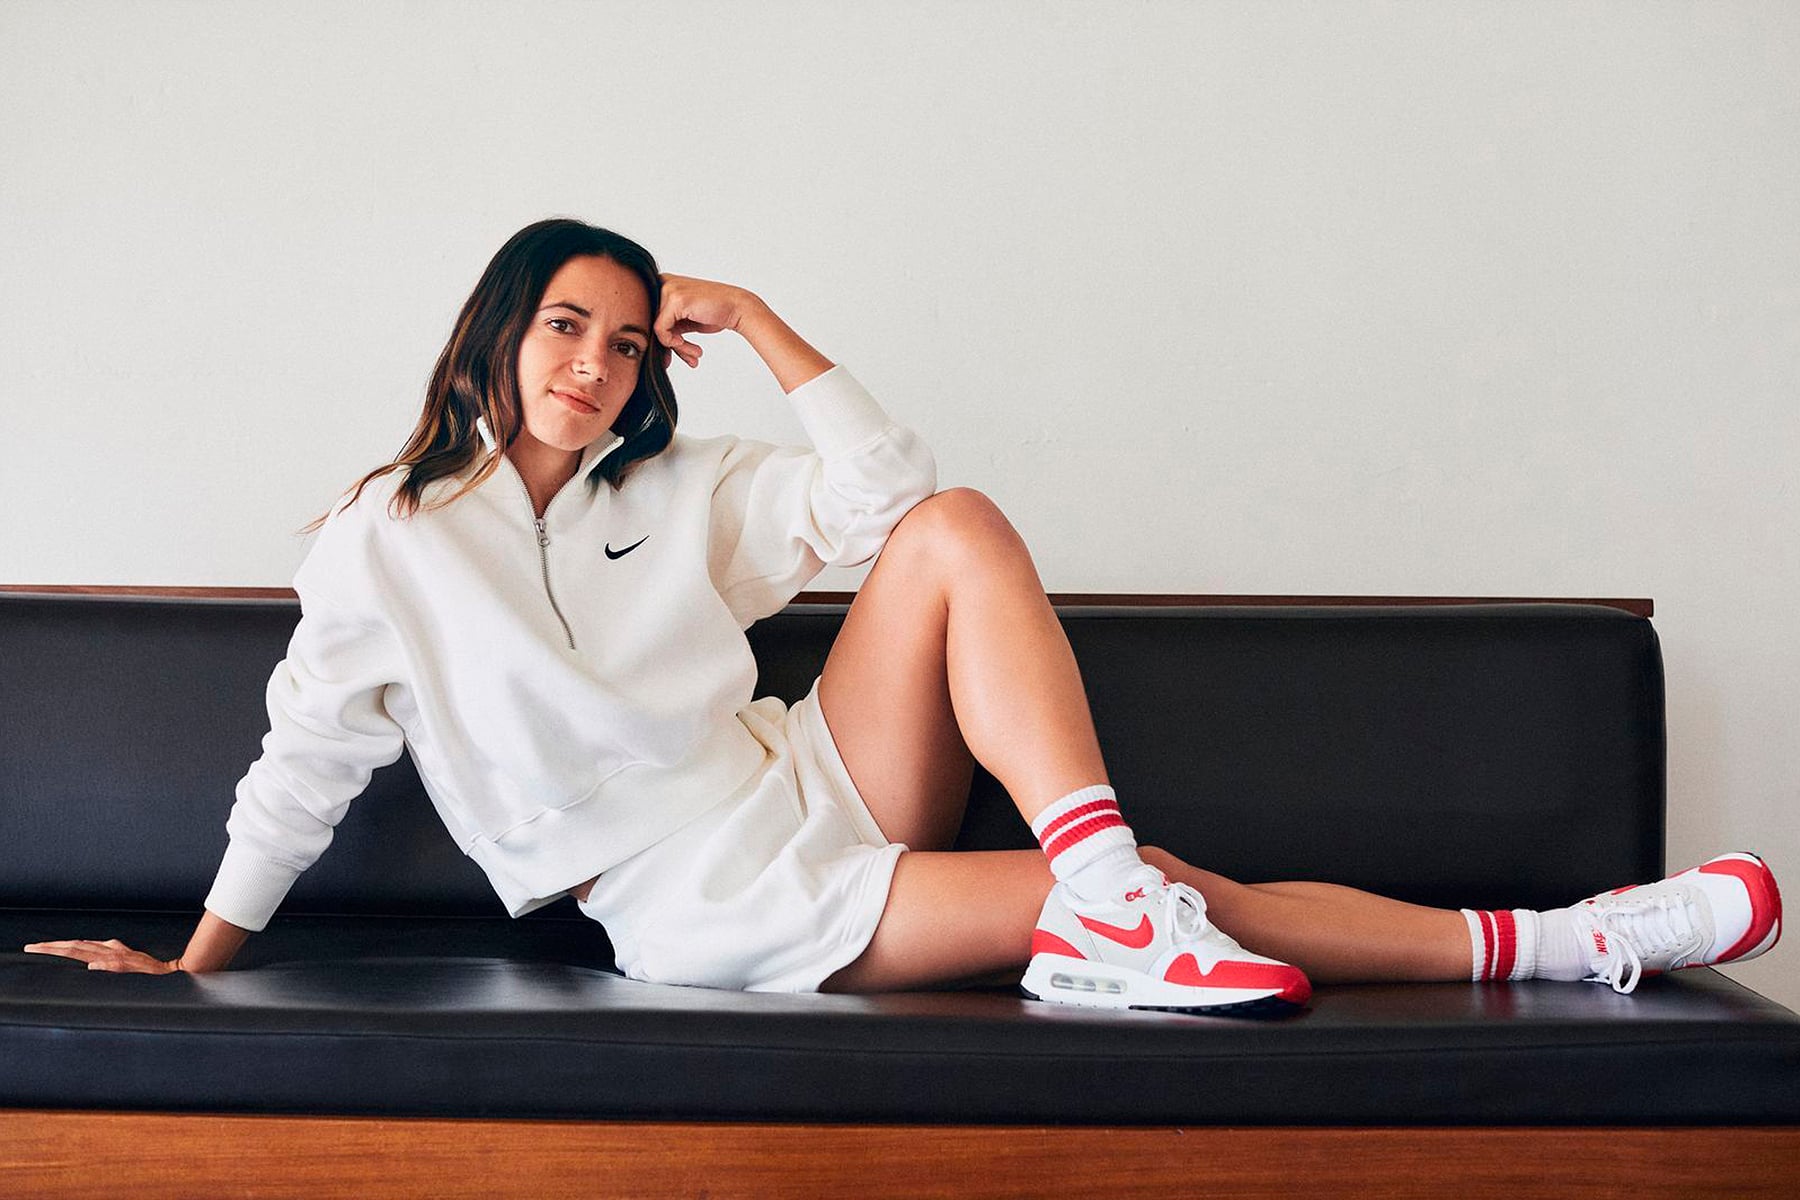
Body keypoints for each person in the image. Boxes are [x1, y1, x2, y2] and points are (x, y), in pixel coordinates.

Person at [23, 218, 1784, 1014]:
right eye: (564, 325)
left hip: (807, 775)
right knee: (1188, 896)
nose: (596, 363)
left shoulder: (674, 487)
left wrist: (759, 319)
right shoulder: (385, 544)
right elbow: (303, 768)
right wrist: (196, 962)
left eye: (627, 339)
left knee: (950, 524)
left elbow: (887, 494)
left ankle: (1108, 896)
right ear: (496, 331)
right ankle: (1574, 942)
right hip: (693, 898)